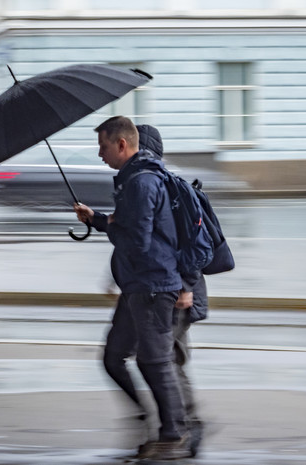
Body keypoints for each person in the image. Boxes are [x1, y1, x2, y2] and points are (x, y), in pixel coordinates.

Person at [74, 116, 191, 460]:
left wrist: (109, 226)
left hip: (152, 286)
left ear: (122, 144)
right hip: (137, 285)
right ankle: (150, 418)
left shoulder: (141, 183)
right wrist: (96, 219)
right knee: (114, 356)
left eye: (103, 146)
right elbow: (130, 226)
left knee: (154, 361)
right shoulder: (133, 180)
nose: (99, 153)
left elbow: (138, 241)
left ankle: (174, 431)